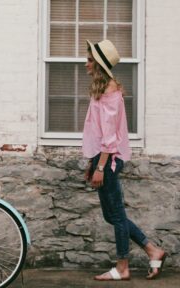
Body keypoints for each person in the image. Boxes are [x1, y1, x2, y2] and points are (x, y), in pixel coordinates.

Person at [82, 39, 166, 281]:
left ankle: (122, 267)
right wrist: (92, 162)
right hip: (102, 157)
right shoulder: (102, 89)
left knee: (116, 215)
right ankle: (152, 250)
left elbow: (109, 137)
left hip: (108, 159)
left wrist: (100, 166)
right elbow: (98, 133)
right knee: (112, 215)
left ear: (98, 64)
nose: (85, 63)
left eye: (89, 60)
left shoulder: (109, 92)